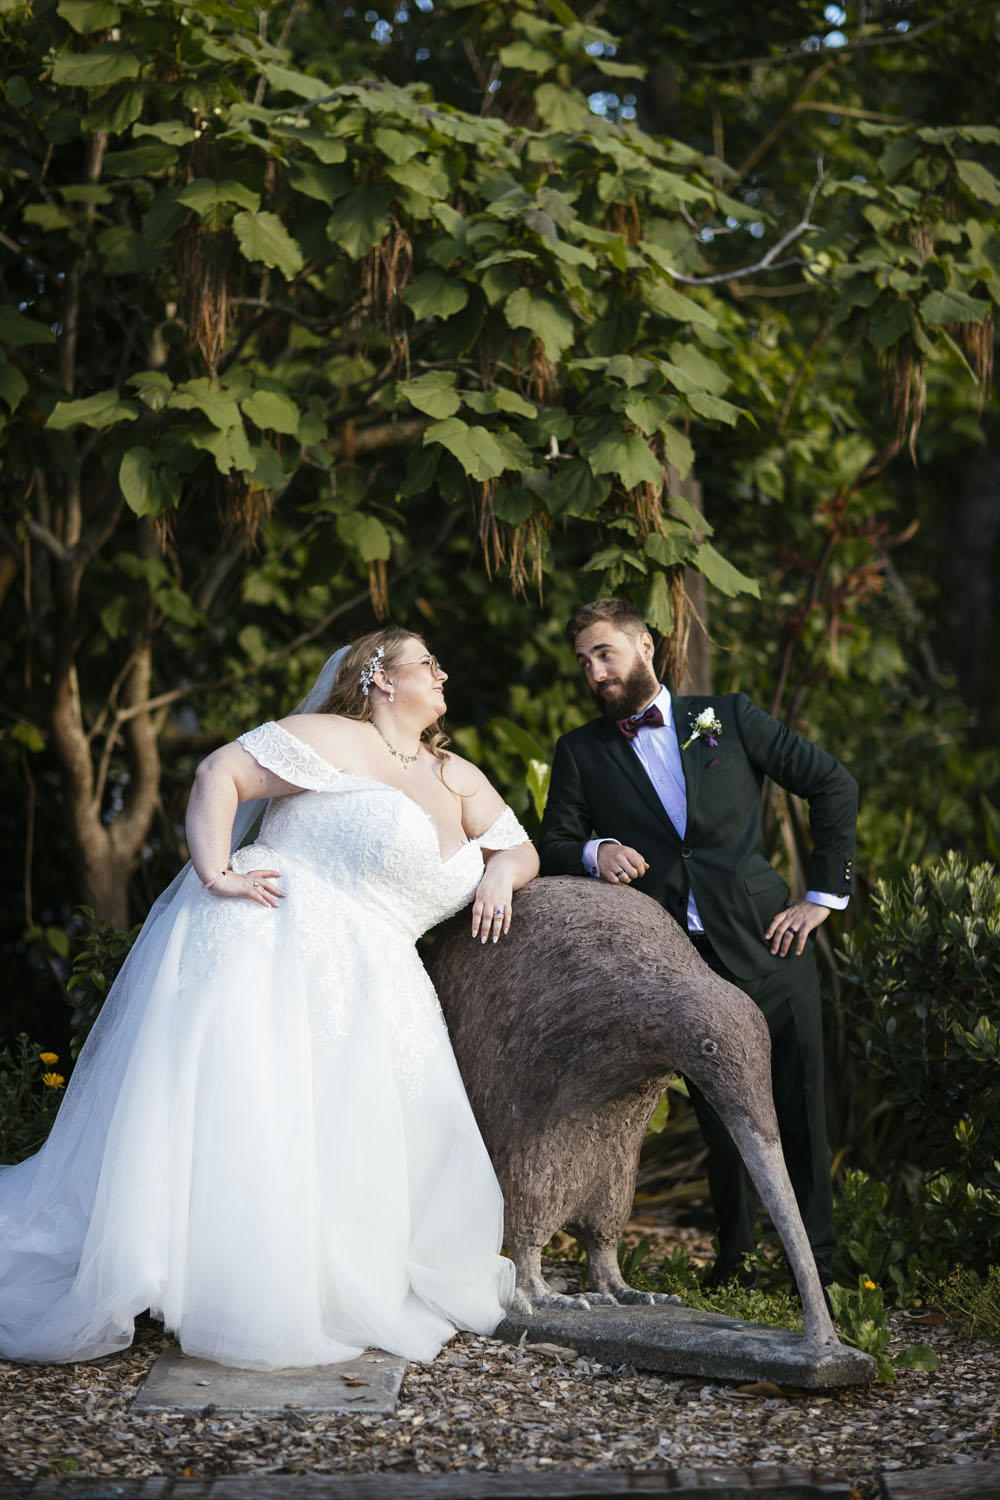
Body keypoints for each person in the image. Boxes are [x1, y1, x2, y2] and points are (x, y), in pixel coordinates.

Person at [0, 628, 538, 1370]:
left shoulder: (458, 777)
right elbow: (219, 772)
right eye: (428, 663)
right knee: (259, 1113)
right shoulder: (332, 737)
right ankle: (212, 1280)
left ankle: (315, 1277)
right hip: (278, 939)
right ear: (381, 678)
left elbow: (518, 846)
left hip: (385, 980)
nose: (443, 674)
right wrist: (216, 872)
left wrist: (500, 873)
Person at [537, 598, 857, 1290]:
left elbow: (832, 783)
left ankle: (820, 1271)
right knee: (720, 1120)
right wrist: (596, 850)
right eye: (584, 662)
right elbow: (552, 841)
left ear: (646, 646)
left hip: (773, 945)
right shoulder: (580, 751)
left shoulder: (727, 717)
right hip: (682, 966)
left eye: (605, 653)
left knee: (801, 1108)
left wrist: (821, 897)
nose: (595, 672)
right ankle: (735, 1266)